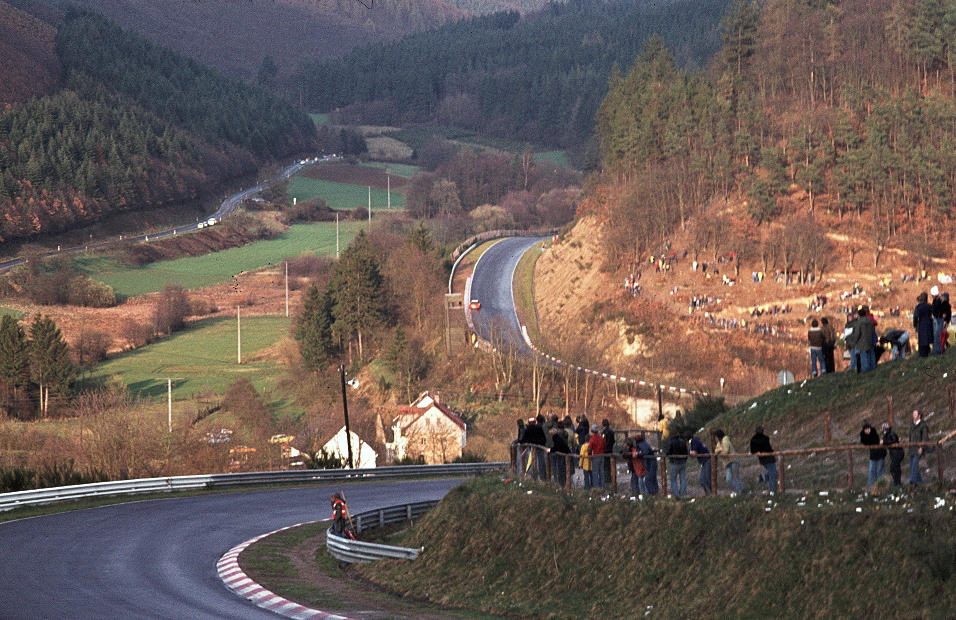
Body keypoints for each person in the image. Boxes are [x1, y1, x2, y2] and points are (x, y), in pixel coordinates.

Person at [749, 426, 778, 494]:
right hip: (769, 458)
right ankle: (772, 490)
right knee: (773, 474)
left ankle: (763, 477)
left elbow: (752, 451)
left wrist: (758, 453)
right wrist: (773, 451)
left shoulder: (753, 439)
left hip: (762, 459)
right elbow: (768, 448)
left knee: (773, 473)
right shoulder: (765, 438)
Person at [714, 429, 743, 494]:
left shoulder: (725, 440)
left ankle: (740, 491)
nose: (715, 439)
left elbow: (725, 451)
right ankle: (738, 490)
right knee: (728, 479)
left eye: (715, 437)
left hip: (733, 460)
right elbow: (715, 451)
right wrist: (719, 450)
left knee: (736, 477)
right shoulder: (719, 443)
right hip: (726, 463)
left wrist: (719, 451)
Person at [860, 421, 886, 488]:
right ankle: (871, 486)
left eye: (868, 429)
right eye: (866, 429)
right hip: (873, 455)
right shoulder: (863, 435)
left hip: (880, 453)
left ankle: (881, 485)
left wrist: (870, 440)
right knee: (872, 470)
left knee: (880, 470)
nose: (868, 430)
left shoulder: (874, 433)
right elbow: (865, 442)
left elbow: (875, 440)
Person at [908, 409, 930, 485]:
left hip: (918, 448)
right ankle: (920, 482)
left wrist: (921, 447)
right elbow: (910, 437)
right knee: (912, 466)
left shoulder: (923, 425)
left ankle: (912, 481)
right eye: (913, 414)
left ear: (919, 416)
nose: (913, 415)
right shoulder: (911, 425)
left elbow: (925, 437)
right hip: (912, 448)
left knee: (914, 465)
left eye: (915, 414)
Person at [522, 416, 547, 481]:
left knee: (531, 462)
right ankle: (542, 477)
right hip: (540, 447)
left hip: (531, 448)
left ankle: (532, 475)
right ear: (535, 422)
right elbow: (543, 438)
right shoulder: (539, 428)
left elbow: (524, 439)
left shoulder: (527, 429)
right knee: (541, 462)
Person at [665, 433, 689, 497]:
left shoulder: (671, 442)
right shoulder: (683, 441)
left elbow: (668, 452)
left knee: (673, 479)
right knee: (683, 478)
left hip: (674, 462)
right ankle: (683, 494)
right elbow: (686, 452)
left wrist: (668, 456)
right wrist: (685, 459)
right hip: (683, 462)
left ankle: (676, 495)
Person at [882, 423, 904, 487]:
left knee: (893, 468)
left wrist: (884, 442)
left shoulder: (891, 433)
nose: (883, 430)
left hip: (898, 452)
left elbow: (893, 440)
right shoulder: (886, 434)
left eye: (884, 428)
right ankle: (897, 483)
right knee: (896, 467)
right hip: (894, 453)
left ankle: (897, 482)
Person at [914, 292, 934, 357]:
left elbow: (916, 317)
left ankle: (922, 355)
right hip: (929, 323)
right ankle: (928, 352)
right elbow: (933, 314)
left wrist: (915, 325)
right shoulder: (929, 306)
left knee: (922, 339)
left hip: (922, 324)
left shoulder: (918, 307)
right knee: (927, 338)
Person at [587, 424, 606, 489]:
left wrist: (589, 455)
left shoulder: (592, 439)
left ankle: (596, 487)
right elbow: (604, 445)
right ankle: (603, 486)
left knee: (595, 473)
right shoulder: (601, 438)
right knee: (602, 472)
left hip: (595, 456)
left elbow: (589, 449)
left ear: (592, 431)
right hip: (602, 456)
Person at [601, 418, 615, 489]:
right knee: (610, 465)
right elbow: (613, 441)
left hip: (605, 450)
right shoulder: (612, 431)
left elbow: (603, 441)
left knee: (605, 466)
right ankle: (610, 478)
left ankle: (607, 479)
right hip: (610, 449)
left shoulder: (603, 432)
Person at [931, 286, 943, 354]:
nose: (932, 296)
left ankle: (937, 351)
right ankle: (935, 349)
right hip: (936, 319)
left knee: (937, 335)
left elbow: (937, 310)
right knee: (935, 335)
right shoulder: (936, 300)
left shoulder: (939, 300)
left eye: (932, 295)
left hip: (938, 319)